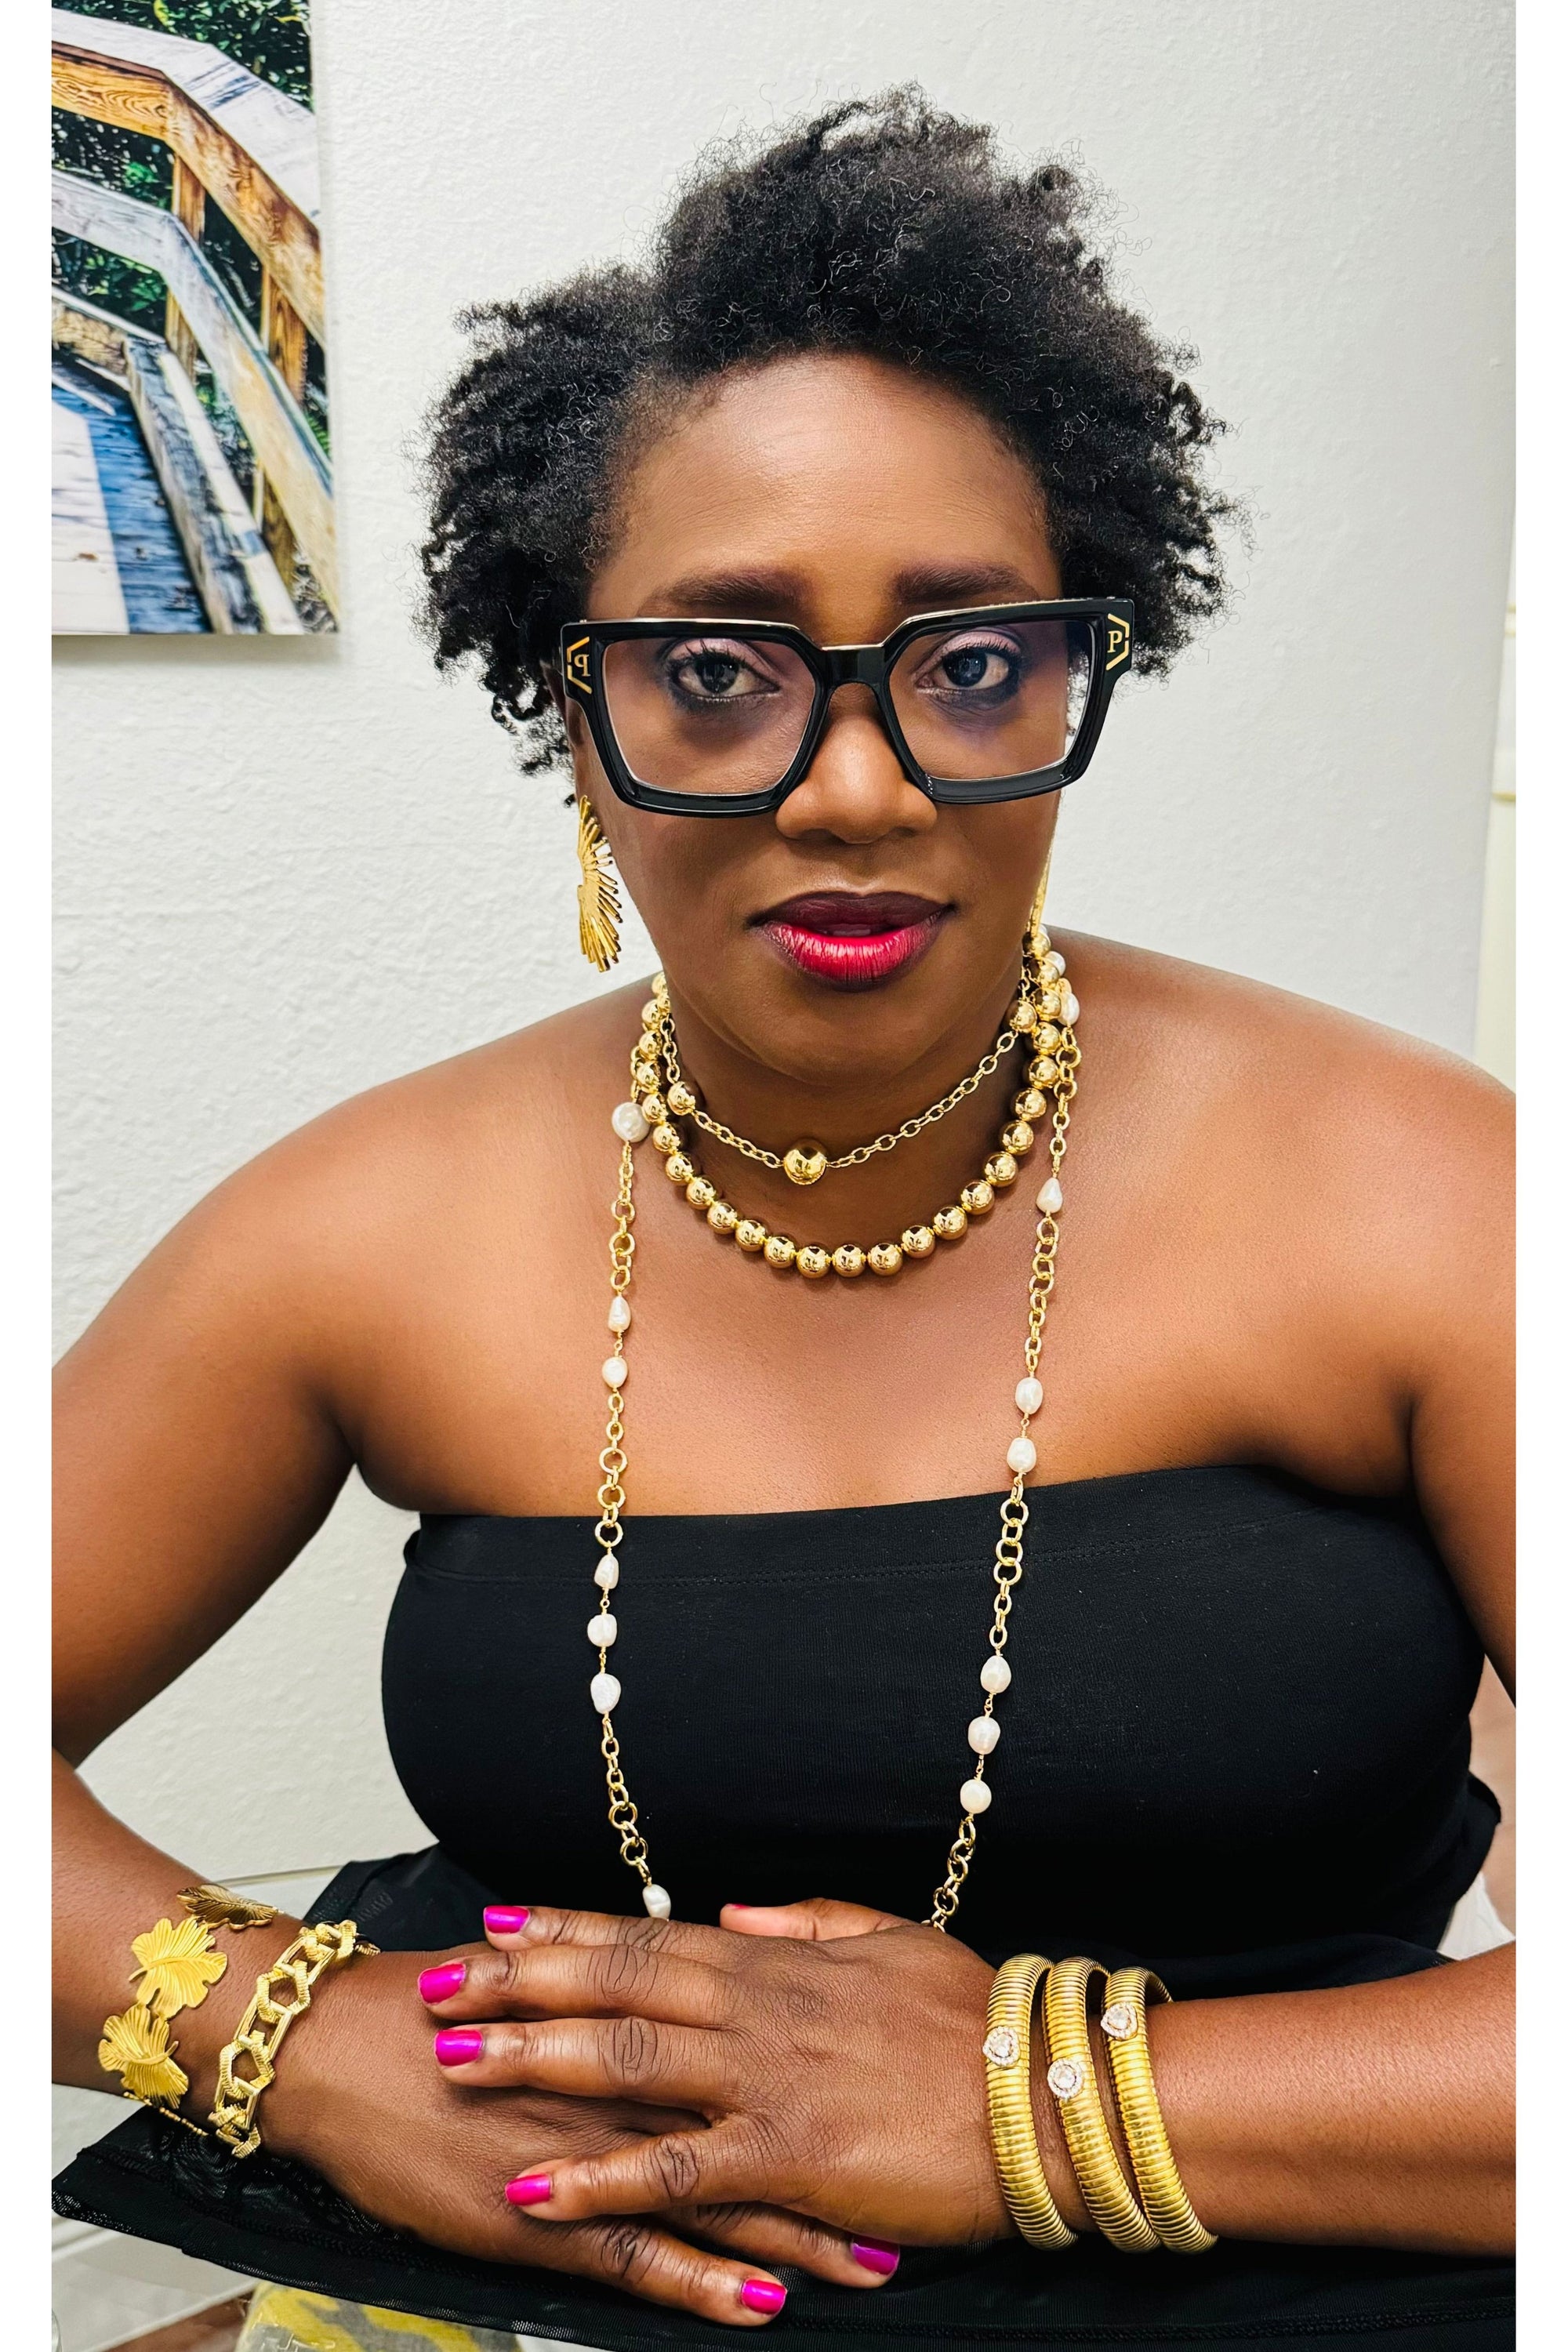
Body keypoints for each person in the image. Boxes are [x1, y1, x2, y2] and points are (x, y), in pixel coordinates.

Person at [53, 93, 1513, 2352]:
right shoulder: (362, 1227)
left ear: (1079, 669)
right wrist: (295, 2032)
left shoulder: (1423, 1191)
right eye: (720, 675)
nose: (854, 784)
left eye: (971, 663)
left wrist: (1024, 2104)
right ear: (575, 711)